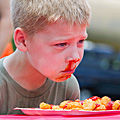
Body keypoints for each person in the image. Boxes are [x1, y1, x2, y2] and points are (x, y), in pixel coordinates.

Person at [0, 0, 91, 114]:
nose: (75, 57)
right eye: (61, 44)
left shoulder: (67, 86)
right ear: (22, 40)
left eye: (80, 41)